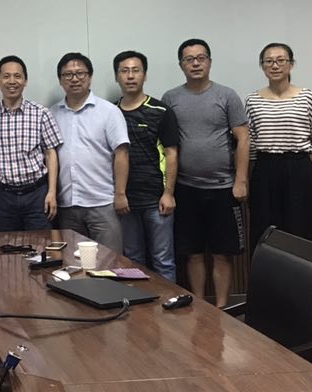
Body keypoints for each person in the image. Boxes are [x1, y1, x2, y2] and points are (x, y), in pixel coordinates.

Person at [162, 39, 249, 307]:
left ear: (209, 62)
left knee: (223, 254)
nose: (196, 63)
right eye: (189, 59)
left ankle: (221, 308)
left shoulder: (227, 95)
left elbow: (244, 139)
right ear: (181, 65)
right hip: (186, 188)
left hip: (223, 188)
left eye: (201, 58)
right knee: (193, 254)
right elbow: (167, 145)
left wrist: (241, 181)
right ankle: (199, 307)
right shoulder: (171, 98)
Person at [245, 42, 312, 249]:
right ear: (262, 66)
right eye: (269, 61)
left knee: (304, 231)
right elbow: (251, 145)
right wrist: (247, 180)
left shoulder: (307, 97)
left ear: (291, 64)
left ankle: (307, 272)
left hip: (299, 168)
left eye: (281, 60)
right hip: (265, 171)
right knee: (266, 233)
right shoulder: (252, 100)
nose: (275, 66)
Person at [50, 52, 129, 251]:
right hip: (67, 204)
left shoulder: (109, 112)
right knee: (73, 262)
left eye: (80, 73)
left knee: (110, 261)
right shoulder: (52, 113)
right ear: (60, 80)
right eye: (68, 74)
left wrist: (120, 194)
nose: (74, 79)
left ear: (90, 77)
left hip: (102, 203)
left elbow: (122, 153)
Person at [0, 55, 62, 231]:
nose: (12, 81)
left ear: (25, 81)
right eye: (6, 76)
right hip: (2, 195)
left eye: (17, 76)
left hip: (37, 193)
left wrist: (52, 192)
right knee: (7, 245)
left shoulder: (41, 113)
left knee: (40, 245)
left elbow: (51, 154)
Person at [113, 51, 179, 280]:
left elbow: (172, 153)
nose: (130, 76)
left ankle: (169, 302)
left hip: (156, 198)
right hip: (125, 200)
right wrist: (119, 194)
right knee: (132, 259)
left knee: (163, 259)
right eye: (125, 71)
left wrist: (169, 193)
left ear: (145, 75)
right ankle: (139, 303)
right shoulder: (111, 112)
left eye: (136, 70)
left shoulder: (161, 111)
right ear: (117, 76)